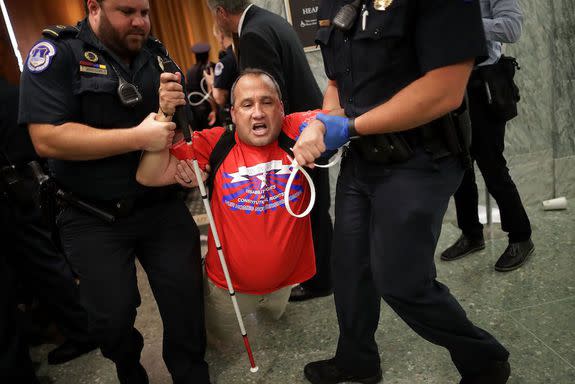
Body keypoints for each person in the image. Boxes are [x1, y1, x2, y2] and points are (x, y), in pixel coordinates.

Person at [292, 1, 511, 383]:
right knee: (349, 269)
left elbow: (445, 90)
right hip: (362, 160)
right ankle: (357, 360)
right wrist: (323, 125)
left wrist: (354, 126)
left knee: (401, 281)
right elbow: (337, 81)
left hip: (421, 156)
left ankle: (484, 359)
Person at [18, 1, 210, 383]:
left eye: (145, 12)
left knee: (186, 300)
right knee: (111, 318)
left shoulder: (156, 53)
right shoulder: (58, 53)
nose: (140, 21)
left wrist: (182, 147)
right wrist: (136, 137)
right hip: (91, 214)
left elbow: (180, 130)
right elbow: (46, 139)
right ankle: (129, 370)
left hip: (159, 206)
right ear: (94, 8)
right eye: (127, 12)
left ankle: (191, 373)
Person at [137, 69, 318, 343]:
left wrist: (319, 128)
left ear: (281, 109)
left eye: (267, 102)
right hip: (226, 288)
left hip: (285, 284)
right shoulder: (215, 144)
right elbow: (148, 175)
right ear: (233, 114)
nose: (257, 112)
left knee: (276, 335)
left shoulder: (294, 130)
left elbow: (337, 115)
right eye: (247, 104)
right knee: (222, 345)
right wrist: (164, 114)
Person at [206, 0, 334, 302]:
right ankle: (324, 277)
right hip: (308, 131)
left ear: (221, 13)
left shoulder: (252, 33)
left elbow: (264, 99)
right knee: (317, 211)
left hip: (296, 139)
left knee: (308, 213)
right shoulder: (269, 20)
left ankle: (317, 280)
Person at [0, 75, 96, 366]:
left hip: (11, 191)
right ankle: (74, 327)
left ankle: (81, 330)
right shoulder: (13, 88)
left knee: (43, 264)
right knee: (44, 262)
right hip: (23, 184)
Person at [441, 0, 533, 272]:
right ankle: (471, 234)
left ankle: (520, 236)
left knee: (491, 164)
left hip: (483, 85)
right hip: (449, 85)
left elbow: (512, 28)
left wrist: (465, 26)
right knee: (460, 164)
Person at [186, 42, 217, 130]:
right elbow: (210, 91)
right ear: (208, 55)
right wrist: (214, 110)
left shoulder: (189, 72)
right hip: (210, 109)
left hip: (196, 111)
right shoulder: (212, 68)